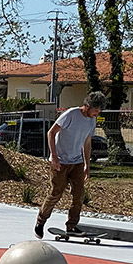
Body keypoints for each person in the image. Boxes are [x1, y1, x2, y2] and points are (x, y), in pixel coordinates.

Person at [34, 91, 106, 238]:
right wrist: (54, 156)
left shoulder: (91, 121)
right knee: (56, 193)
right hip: (60, 161)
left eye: (99, 111)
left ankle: (72, 226)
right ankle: (40, 222)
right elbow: (51, 133)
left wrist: (87, 164)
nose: (97, 113)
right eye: (95, 110)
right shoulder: (71, 114)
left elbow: (87, 143)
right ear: (87, 106)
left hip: (77, 162)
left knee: (79, 195)